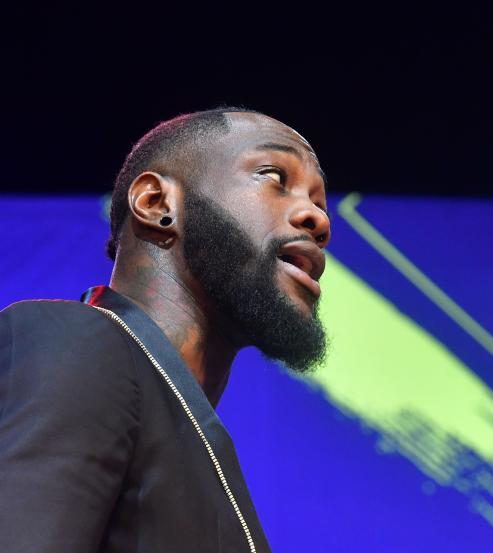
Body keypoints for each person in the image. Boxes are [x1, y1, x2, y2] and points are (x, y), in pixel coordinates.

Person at [0, 108, 331, 552]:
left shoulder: (195, 439)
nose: (318, 220)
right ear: (156, 204)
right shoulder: (80, 341)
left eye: (319, 202)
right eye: (275, 177)